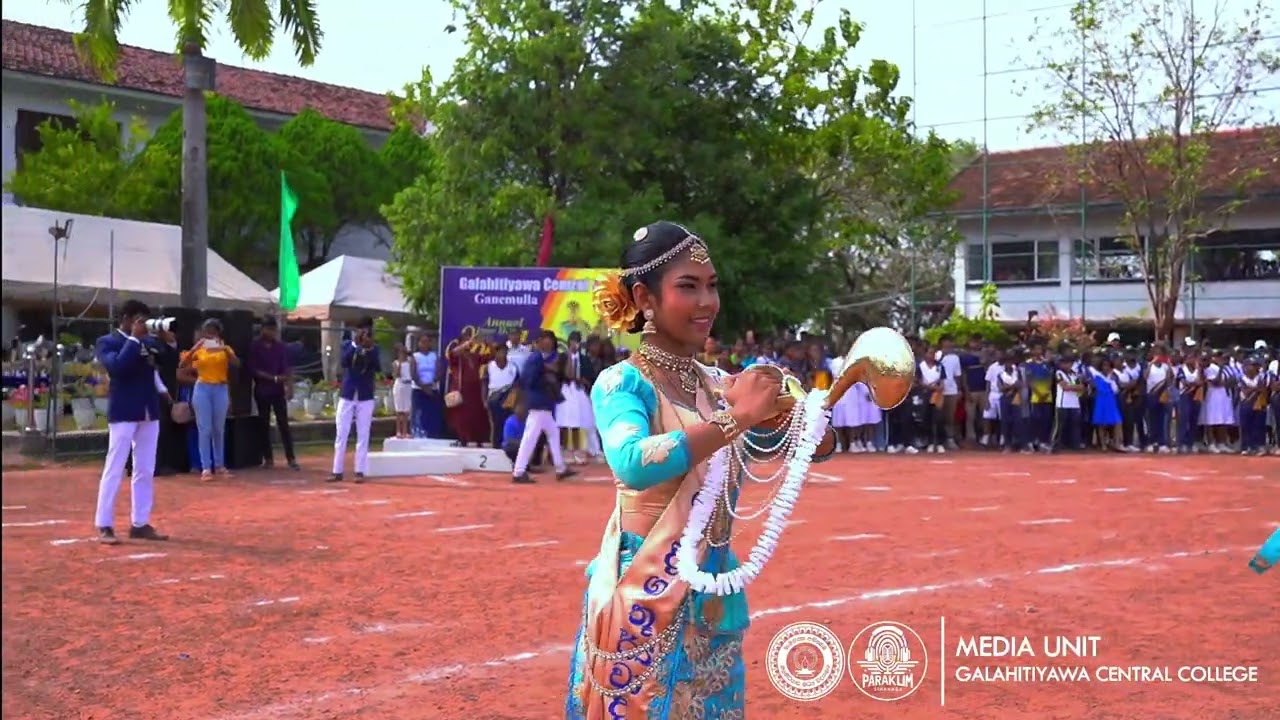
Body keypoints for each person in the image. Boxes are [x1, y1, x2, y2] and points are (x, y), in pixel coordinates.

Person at [563, 221, 835, 719]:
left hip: (712, 591)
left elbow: (779, 449)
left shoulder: (719, 385)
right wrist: (740, 418)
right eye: (688, 286)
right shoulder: (621, 383)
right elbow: (632, 461)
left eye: (711, 285)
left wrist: (806, 420)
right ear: (645, 297)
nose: (707, 301)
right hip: (645, 594)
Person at [93, 299, 172, 545]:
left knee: (146, 469)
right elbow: (117, 368)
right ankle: (104, 523)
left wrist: (169, 343)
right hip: (124, 411)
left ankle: (140, 522)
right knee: (115, 467)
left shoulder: (149, 342)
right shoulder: (107, 342)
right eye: (140, 319)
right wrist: (134, 340)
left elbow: (166, 364)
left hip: (149, 411)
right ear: (126, 319)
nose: (143, 325)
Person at [181, 318, 239, 481]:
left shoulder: (225, 348)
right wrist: (195, 348)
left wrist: (226, 350)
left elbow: (236, 363)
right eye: (208, 330)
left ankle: (220, 465)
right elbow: (183, 364)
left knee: (218, 429)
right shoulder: (200, 349)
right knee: (204, 429)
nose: (210, 333)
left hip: (220, 387)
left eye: (214, 330)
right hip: (203, 388)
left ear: (218, 332)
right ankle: (206, 467)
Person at [511, 330, 572, 484]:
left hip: (542, 403)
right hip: (538, 402)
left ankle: (560, 468)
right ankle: (518, 471)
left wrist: (546, 373)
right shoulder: (536, 358)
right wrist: (545, 380)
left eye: (550, 340)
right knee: (530, 438)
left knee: (553, 433)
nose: (549, 342)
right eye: (546, 339)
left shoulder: (537, 358)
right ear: (539, 341)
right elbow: (528, 380)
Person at [331, 317, 382, 483]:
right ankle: (337, 471)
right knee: (341, 432)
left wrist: (368, 348)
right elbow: (345, 362)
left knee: (363, 433)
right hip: (347, 394)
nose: (364, 334)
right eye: (361, 330)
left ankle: (359, 470)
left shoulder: (374, 349)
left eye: (367, 331)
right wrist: (356, 346)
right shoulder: (347, 345)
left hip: (365, 395)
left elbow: (377, 366)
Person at [248, 316, 299, 470]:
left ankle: (291, 458)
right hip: (263, 389)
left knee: (283, 423)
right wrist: (273, 378)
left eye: (273, 330)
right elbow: (253, 369)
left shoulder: (281, 347)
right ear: (262, 329)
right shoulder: (255, 346)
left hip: (277, 391)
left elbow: (287, 367)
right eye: (268, 329)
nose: (271, 332)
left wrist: (289, 386)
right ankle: (268, 458)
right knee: (263, 424)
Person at [445, 328, 491, 446]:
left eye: (470, 339)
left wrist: (488, 343)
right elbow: (452, 353)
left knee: (476, 416)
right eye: (466, 339)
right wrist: (468, 343)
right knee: (461, 418)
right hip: (461, 391)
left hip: (475, 391)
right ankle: (464, 440)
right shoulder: (456, 355)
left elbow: (489, 358)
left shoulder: (474, 356)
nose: (469, 342)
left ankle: (475, 440)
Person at [484, 344, 519, 448]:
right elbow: (484, 384)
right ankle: (496, 445)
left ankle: (506, 444)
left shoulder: (513, 366)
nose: (502, 354)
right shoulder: (489, 366)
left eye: (504, 351)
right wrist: (484, 400)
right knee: (496, 423)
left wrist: (513, 399)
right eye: (500, 351)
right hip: (494, 397)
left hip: (508, 396)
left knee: (507, 421)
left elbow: (516, 384)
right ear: (496, 352)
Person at [411, 334, 444, 438]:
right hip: (418, 389)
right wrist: (423, 387)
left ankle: (432, 435)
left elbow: (439, 372)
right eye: (422, 341)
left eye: (427, 341)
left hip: (432, 389)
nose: (424, 344)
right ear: (418, 343)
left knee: (432, 414)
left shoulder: (434, 356)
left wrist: (431, 384)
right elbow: (413, 374)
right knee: (419, 414)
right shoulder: (415, 356)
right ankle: (418, 435)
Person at [392, 344, 415, 439]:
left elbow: (412, 372)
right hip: (399, 385)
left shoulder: (409, 362)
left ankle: (405, 431)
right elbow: (396, 375)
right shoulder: (396, 363)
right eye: (401, 352)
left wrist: (411, 357)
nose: (403, 354)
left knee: (406, 410)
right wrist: (400, 364)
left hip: (408, 385)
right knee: (399, 409)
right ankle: (398, 431)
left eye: (404, 352)